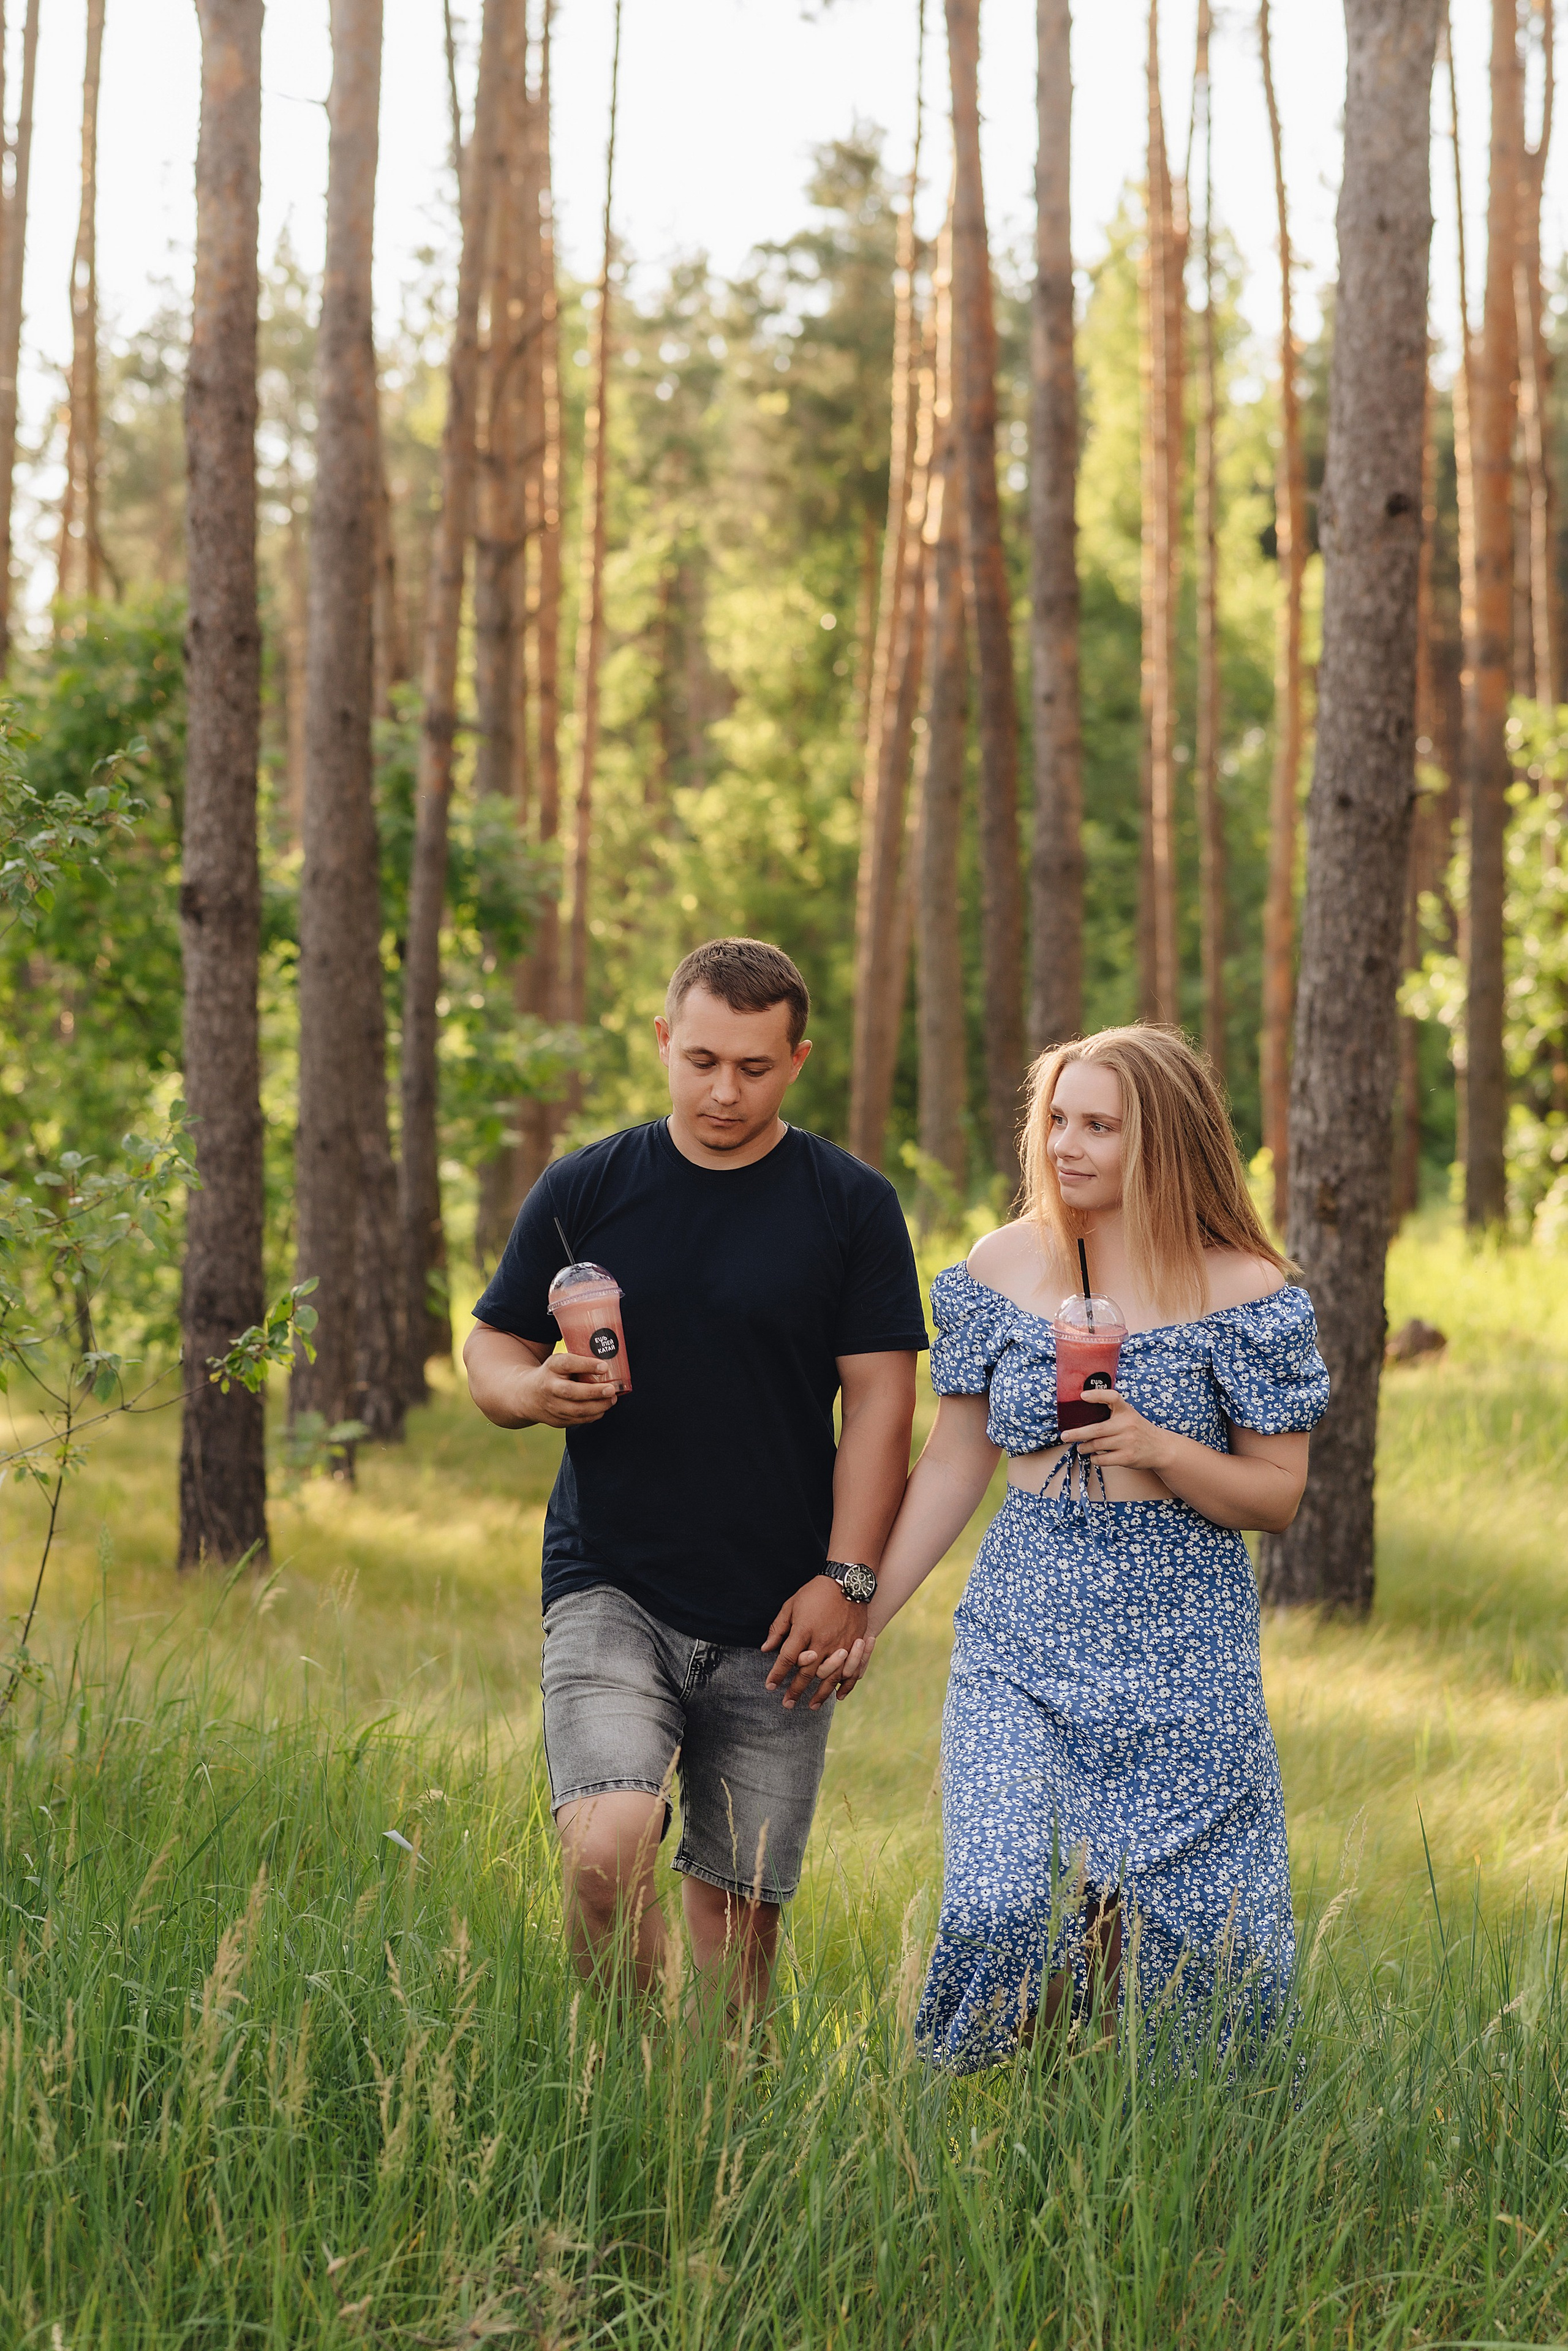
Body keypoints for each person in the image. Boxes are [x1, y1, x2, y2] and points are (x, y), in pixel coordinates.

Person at [845, 1025, 1329, 2070]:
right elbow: (954, 1462)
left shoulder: (1242, 1289)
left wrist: (1160, 1447)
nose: (1067, 1144)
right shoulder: (1005, 1263)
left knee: (1201, 1934)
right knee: (1002, 1892)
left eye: (1100, 1125)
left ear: (1163, 1140)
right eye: (1058, 1118)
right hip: (1023, 1623)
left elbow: (1278, 1496)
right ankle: (960, 2102)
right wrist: (868, 1610)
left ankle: (1141, 2128)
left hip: (1183, 1641)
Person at [463, 938, 926, 2010]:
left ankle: (710, 2125)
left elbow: (884, 1405)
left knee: (741, 1930)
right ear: (666, 1040)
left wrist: (847, 1578)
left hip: (781, 1608)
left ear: (797, 1060)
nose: (725, 1089)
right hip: (611, 1577)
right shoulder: (588, 1187)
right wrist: (533, 1391)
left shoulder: (851, 1204)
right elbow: (487, 1348)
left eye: (755, 1067)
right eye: (703, 1058)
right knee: (601, 1844)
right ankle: (628, 2079)